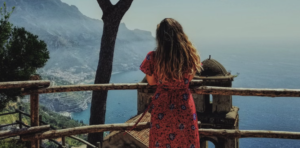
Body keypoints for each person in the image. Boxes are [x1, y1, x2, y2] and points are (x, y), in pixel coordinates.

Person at [128, 18, 202, 148]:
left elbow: (151, 82)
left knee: (161, 141)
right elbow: (188, 79)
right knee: (186, 141)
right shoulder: (191, 56)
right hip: (184, 103)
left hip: (163, 104)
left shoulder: (153, 57)